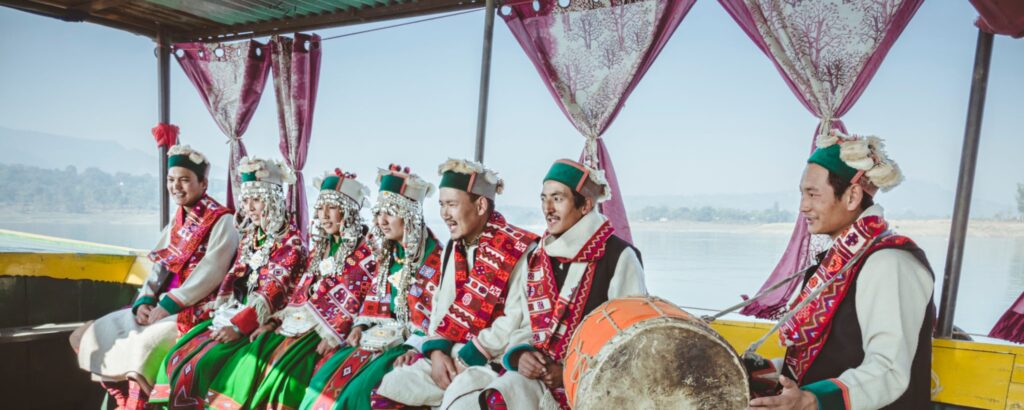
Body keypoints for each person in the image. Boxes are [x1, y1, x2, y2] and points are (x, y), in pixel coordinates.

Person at [748, 129, 935, 410]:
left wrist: (812, 400)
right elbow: (830, 357)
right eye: (802, 194)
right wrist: (762, 372)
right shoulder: (838, 261)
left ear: (852, 196)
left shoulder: (890, 262)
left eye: (812, 194)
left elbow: (888, 370)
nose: (803, 207)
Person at [71, 144, 239, 409]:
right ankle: (119, 396)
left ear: (203, 183)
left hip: (194, 308)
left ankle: (135, 403)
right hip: (160, 305)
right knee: (86, 334)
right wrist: (145, 301)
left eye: (185, 180)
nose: (176, 187)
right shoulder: (178, 219)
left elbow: (212, 271)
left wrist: (168, 304)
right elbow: (160, 264)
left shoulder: (222, 220)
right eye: (171, 180)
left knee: (143, 348)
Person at [480, 158, 646, 409]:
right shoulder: (537, 257)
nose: (547, 208)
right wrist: (521, 355)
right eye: (543, 198)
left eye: (558, 198)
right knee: (498, 395)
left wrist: (569, 371)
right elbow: (526, 324)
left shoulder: (620, 257)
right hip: (539, 381)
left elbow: (630, 341)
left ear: (585, 205)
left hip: (595, 387)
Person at [206, 168, 376, 410]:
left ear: (349, 211)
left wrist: (333, 333)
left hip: (324, 329)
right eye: (320, 207)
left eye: (332, 207)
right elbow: (300, 294)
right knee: (258, 350)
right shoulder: (321, 248)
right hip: (296, 321)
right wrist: (273, 323)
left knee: (284, 371)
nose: (323, 215)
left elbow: (354, 300)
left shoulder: (365, 253)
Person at [376, 159, 539, 410]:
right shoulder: (455, 247)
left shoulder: (518, 247)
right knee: (391, 388)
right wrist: (437, 352)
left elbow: (516, 317)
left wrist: (469, 356)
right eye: (441, 205)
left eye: (452, 204)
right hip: (451, 353)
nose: (444, 214)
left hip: (491, 359)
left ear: (481, 205)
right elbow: (442, 304)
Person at [149, 157, 306, 408]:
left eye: (257, 199)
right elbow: (235, 276)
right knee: (177, 355)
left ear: (274, 200)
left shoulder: (291, 241)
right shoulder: (252, 236)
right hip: (233, 312)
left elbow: (271, 293)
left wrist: (238, 326)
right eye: (247, 200)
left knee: (204, 363)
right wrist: (221, 307)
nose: (250, 207)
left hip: (264, 321)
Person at [301, 164, 443, 410]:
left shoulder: (435, 258)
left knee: (357, 391)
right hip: (375, 337)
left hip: (406, 342)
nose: (382, 221)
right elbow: (372, 301)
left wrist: (414, 346)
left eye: (391, 213)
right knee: (324, 379)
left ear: (410, 215)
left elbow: (434, 317)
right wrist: (360, 325)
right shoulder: (388, 255)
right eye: (379, 213)